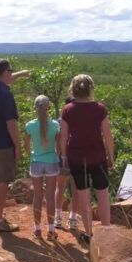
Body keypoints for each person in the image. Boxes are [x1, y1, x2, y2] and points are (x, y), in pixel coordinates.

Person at [60, 74, 114, 244]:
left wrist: (63, 156)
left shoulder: (68, 110)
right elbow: (108, 136)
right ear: (90, 89)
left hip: (77, 158)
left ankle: (90, 235)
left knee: (84, 197)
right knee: (103, 195)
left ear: (73, 90)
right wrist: (111, 156)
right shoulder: (100, 109)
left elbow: (63, 137)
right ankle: (106, 233)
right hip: (98, 157)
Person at [0, 59, 29, 233]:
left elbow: (6, 79)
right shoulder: (6, 94)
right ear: (5, 73)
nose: (12, 73)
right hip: (3, 145)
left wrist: (22, 73)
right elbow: (11, 124)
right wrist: (17, 146)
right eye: (11, 71)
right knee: (3, 183)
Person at [24, 95, 60, 240]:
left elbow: (26, 145)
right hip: (51, 161)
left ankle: (37, 229)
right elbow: (59, 146)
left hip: (36, 162)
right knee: (50, 196)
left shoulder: (29, 125)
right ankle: (51, 231)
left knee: (37, 196)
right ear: (49, 108)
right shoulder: (56, 125)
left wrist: (31, 154)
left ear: (35, 108)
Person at [54, 97, 79, 230]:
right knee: (75, 189)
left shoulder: (58, 121)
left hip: (61, 158)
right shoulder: (80, 121)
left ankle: (58, 218)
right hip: (76, 158)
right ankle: (73, 218)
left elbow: (56, 142)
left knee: (60, 187)